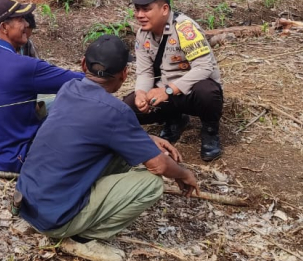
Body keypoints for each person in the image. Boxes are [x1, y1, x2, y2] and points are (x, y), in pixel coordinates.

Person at [15, 35, 199, 261]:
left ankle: (72, 220)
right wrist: (184, 174)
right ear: (124, 74)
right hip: (54, 219)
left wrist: (146, 139)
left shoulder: (68, 88)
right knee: (151, 184)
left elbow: (96, 128)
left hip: (28, 203)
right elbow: (159, 165)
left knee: (122, 151)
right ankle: (81, 238)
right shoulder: (115, 111)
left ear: (84, 65)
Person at [0, 0, 84, 172]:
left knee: (46, 104)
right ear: (4, 27)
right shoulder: (24, 66)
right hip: (13, 158)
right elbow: (80, 81)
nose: (26, 24)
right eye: (20, 19)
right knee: (71, 103)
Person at [124, 0, 226, 161]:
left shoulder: (185, 29)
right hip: (164, 92)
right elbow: (145, 72)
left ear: (164, 9)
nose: (140, 15)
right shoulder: (142, 34)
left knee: (208, 92)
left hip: (190, 91)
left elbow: (204, 67)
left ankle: (210, 131)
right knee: (127, 108)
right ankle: (175, 120)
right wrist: (141, 93)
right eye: (137, 9)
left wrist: (168, 90)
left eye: (146, 9)